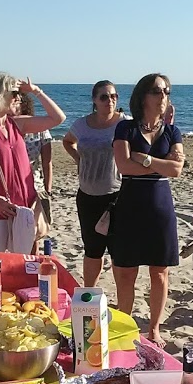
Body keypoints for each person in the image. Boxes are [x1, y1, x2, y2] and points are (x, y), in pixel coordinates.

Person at [110, 73, 184, 347]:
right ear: (143, 96)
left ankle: (154, 328)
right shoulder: (125, 128)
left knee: (160, 272)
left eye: (166, 91)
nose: (163, 96)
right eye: (157, 91)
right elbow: (124, 166)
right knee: (127, 272)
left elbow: (177, 170)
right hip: (131, 205)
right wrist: (160, 163)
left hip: (160, 206)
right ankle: (125, 324)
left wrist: (146, 159)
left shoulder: (173, 131)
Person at [0, 74, 65, 254]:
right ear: (0, 95)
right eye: (14, 93)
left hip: (24, 208)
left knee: (23, 265)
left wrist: (36, 91)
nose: (18, 97)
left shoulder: (17, 124)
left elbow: (58, 118)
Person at [62, 80, 126, 287]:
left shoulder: (124, 124)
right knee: (92, 249)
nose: (110, 100)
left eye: (114, 96)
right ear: (94, 100)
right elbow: (67, 141)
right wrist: (78, 159)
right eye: (104, 97)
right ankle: (89, 293)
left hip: (116, 195)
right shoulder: (81, 124)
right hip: (87, 196)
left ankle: (122, 298)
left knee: (118, 252)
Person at [11, 91, 53, 253]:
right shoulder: (5, 127)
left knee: (33, 233)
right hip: (11, 187)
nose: (14, 105)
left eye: (17, 102)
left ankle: (32, 270)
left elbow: (47, 163)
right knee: (13, 235)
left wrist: (47, 190)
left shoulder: (41, 129)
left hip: (34, 187)